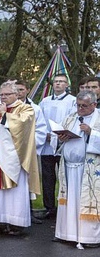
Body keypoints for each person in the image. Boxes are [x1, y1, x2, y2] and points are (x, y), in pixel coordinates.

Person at [0, 80, 40, 235]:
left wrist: (5, 116)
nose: (4, 97)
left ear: (16, 94)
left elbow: (22, 126)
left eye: (7, 94)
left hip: (15, 157)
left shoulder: (26, 109)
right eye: (1, 95)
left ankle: (16, 223)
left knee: (15, 191)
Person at [54, 90, 100, 248]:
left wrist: (91, 133)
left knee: (86, 201)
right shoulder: (70, 117)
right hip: (68, 168)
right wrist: (61, 139)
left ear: (94, 104)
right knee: (70, 201)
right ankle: (67, 233)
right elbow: (58, 140)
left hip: (88, 169)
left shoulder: (98, 118)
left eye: (84, 106)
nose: (80, 109)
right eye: (78, 105)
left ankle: (89, 238)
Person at [38, 73, 76, 219]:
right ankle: (49, 207)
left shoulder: (72, 101)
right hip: (47, 143)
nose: (58, 84)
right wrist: (44, 134)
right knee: (48, 177)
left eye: (62, 82)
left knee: (64, 176)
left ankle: (65, 205)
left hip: (64, 142)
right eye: (56, 82)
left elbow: (72, 120)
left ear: (67, 85)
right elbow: (40, 121)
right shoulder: (45, 101)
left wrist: (61, 135)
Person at [14, 79, 49, 224]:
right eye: (16, 90)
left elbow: (41, 130)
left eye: (21, 90)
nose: (18, 93)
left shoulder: (35, 109)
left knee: (27, 182)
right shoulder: (8, 108)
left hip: (27, 151)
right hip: (11, 151)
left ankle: (28, 211)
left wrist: (27, 145)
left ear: (28, 90)